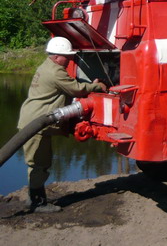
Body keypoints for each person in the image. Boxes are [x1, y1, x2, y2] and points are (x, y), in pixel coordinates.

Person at [17, 36, 107, 213]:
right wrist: (97, 87)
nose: (70, 59)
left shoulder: (47, 66)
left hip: (32, 120)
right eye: (67, 56)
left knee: (38, 162)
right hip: (36, 123)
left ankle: (35, 199)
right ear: (57, 56)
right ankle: (37, 203)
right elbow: (75, 89)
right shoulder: (56, 71)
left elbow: (70, 85)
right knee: (39, 163)